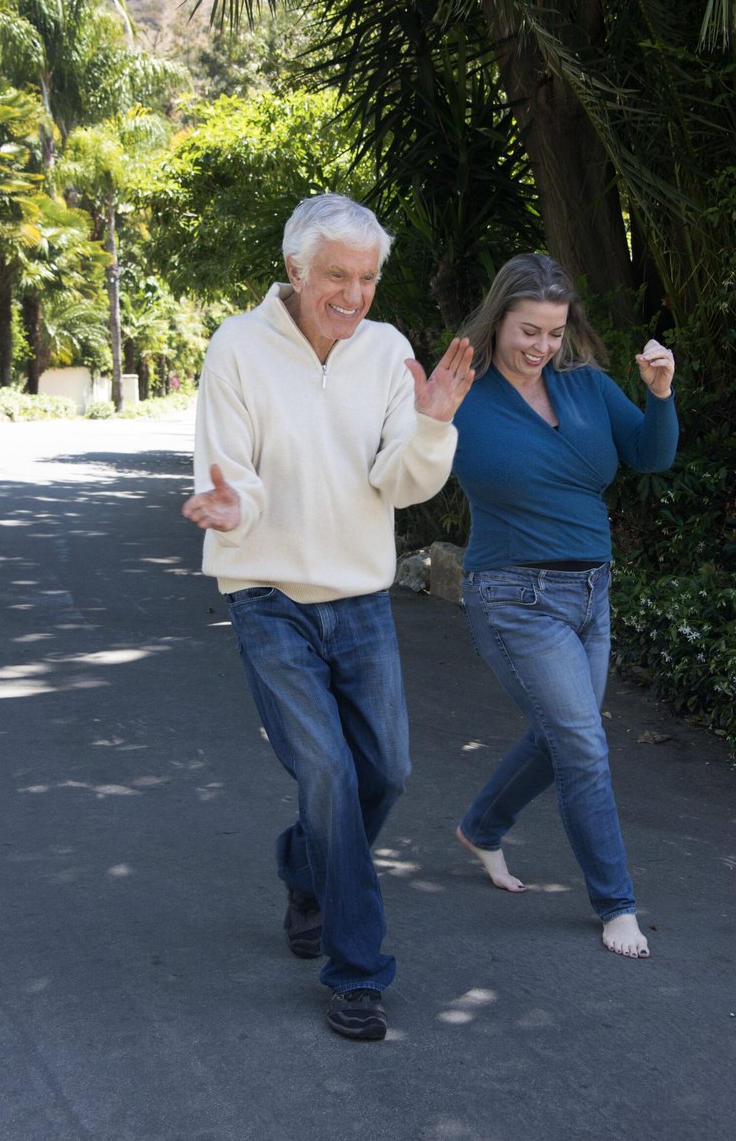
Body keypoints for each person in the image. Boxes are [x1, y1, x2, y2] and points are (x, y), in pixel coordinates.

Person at [181, 194, 474, 1040]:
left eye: (369, 277)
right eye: (337, 276)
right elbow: (233, 469)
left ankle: (302, 867)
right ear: (295, 271)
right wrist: (234, 511)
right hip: (268, 595)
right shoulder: (238, 346)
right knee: (331, 777)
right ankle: (358, 972)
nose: (354, 294)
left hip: (359, 595)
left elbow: (399, 483)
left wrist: (430, 428)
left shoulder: (385, 352)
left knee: (387, 771)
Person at [452, 253, 677, 959]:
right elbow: (400, 464)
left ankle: (481, 827)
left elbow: (649, 455)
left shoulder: (584, 385)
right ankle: (617, 906)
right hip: (513, 595)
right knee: (583, 744)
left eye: (554, 331)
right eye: (529, 330)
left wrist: (662, 395)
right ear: (497, 321)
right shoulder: (461, 394)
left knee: (563, 737)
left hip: (591, 592)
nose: (542, 347)